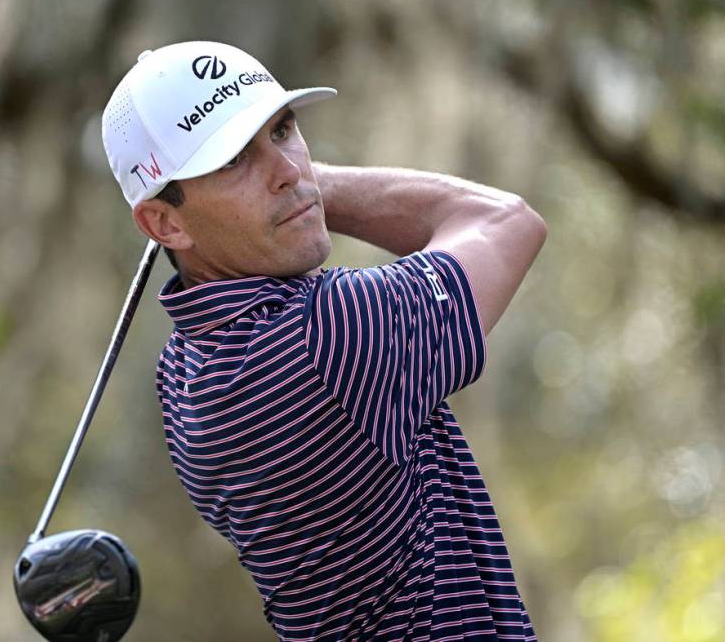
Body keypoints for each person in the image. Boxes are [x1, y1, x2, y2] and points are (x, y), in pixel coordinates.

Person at [101, 41, 546, 641]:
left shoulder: (184, 371)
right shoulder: (326, 334)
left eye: (283, 130)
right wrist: (311, 190)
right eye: (233, 159)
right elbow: (505, 222)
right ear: (164, 223)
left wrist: (283, 191)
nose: (287, 168)